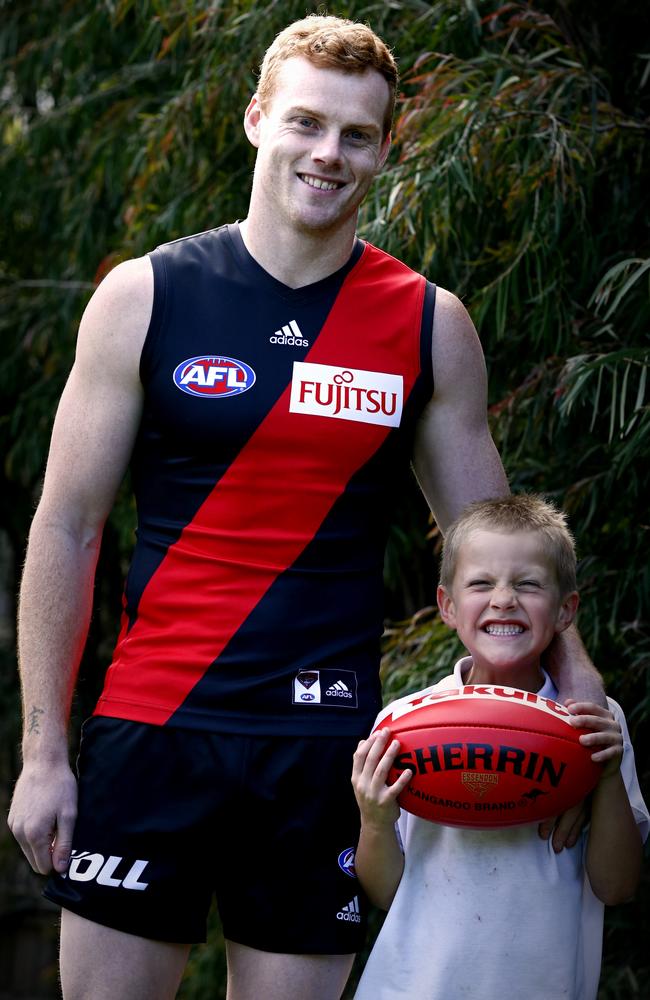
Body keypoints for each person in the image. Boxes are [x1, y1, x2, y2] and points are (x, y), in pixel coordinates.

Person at [8, 15, 604, 1000]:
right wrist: (41, 752)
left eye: (357, 135)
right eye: (305, 122)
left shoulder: (426, 323)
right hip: (153, 726)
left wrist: (571, 682)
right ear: (255, 120)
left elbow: (496, 548)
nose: (328, 153)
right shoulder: (144, 296)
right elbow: (65, 528)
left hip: (323, 750)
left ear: (382, 150)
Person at [352, 494, 648, 1000]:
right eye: (481, 583)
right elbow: (384, 891)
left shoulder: (598, 723)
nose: (504, 599)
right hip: (411, 988)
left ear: (564, 611)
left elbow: (617, 887)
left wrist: (602, 774)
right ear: (447, 606)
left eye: (528, 584)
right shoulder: (403, 724)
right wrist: (374, 821)